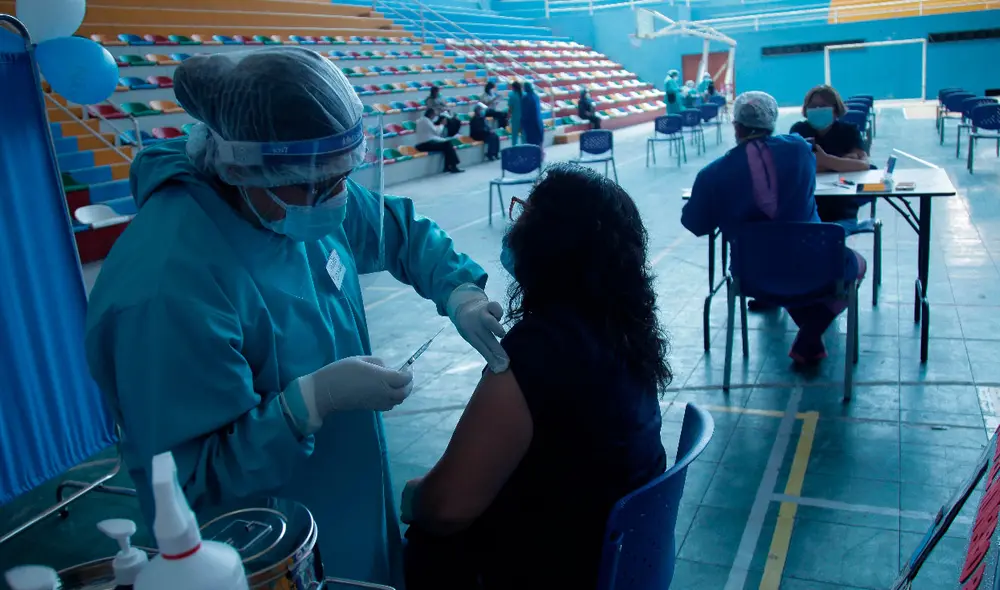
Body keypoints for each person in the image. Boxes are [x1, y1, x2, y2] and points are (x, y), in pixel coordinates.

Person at [84, 47, 508, 589]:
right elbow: (196, 488)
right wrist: (305, 405)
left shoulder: (292, 192)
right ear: (239, 165)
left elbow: (396, 231)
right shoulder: (168, 287)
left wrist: (459, 292)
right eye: (319, 183)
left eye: (341, 176)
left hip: (347, 497)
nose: (335, 198)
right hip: (264, 552)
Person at [401, 164, 671, 589]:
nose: (514, 227)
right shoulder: (623, 328)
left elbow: (446, 507)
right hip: (618, 561)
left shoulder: (539, 350)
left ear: (548, 244)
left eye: (524, 215)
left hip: (560, 568)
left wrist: (415, 496)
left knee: (427, 542)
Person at [681, 91, 866, 364]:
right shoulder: (800, 150)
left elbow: (696, 224)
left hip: (753, 275)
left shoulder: (712, 174)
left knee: (780, 271)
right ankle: (811, 330)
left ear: (736, 126)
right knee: (856, 264)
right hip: (815, 265)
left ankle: (810, 336)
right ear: (772, 120)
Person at [789, 84, 871, 224]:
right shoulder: (799, 130)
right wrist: (843, 162)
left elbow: (863, 165)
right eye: (813, 106)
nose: (817, 110)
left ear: (835, 109)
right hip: (808, 204)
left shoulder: (849, 131)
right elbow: (796, 168)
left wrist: (825, 160)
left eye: (823, 105)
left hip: (842, 205)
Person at [416, 107, 464, 173]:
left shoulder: (421, 120)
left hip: (424, 143)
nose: (434, 117)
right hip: (425, 144)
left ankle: (448, 166)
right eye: (434, 115)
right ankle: (453, 166)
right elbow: (436, 132)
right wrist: (442, 124)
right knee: (447, 144)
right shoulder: (426, 121)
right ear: (431, 115)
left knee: (446, 145)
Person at [520, 81, 545, 148]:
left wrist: (522, 123)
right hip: (538, 121)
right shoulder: (536, 96)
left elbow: (524, 112)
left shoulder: (525, 98)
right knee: (539, 141)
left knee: (530, 143)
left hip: (529, 123)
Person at [507, 81, 523, 146]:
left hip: (515, 118)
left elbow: (510, 108)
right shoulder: (524, 95)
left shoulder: (512, 95)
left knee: (514, 136)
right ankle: (525, 148)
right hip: (524, 117)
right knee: (524, 135)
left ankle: (514, 149)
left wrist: (508, 117)